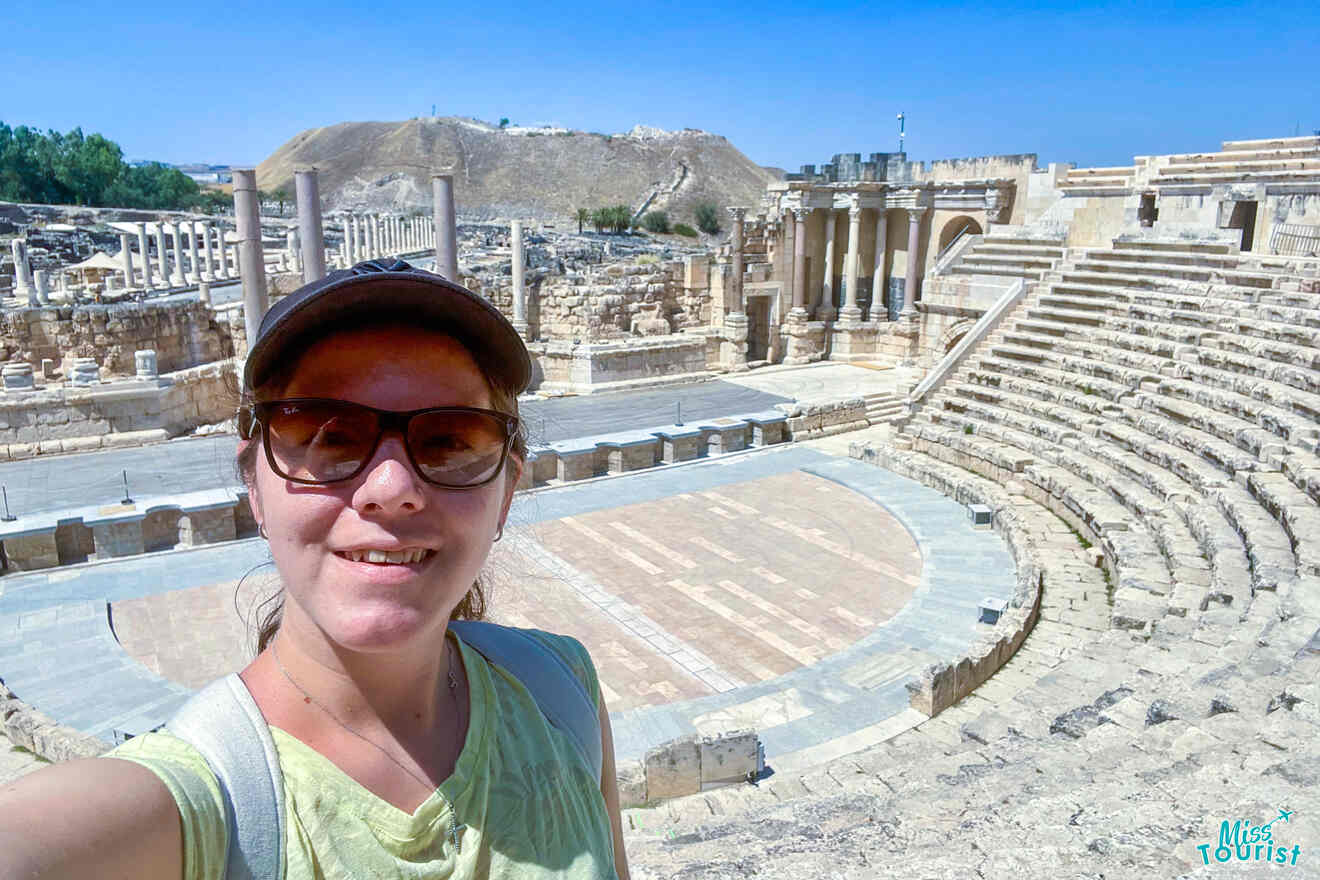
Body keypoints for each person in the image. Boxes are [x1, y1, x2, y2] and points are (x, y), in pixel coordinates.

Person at [0, 259, 632, 879]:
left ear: (508, 491)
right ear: (254, 486)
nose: (390, 487)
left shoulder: (564, 691)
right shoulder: (192, 802)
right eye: (328, 435)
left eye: (450, 439)